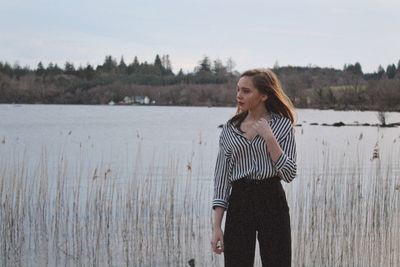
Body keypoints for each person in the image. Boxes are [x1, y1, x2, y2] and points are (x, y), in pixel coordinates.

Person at [210, 68, 297, 267]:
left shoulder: (283, 125)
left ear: (264, 95)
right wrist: (216, 227)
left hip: (272, 200)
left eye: (246, 91)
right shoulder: (230, 129)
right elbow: (222, 180)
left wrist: (269, 137)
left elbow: (290, 173)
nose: (239, 95)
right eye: (238, 90)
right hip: (240, 202)